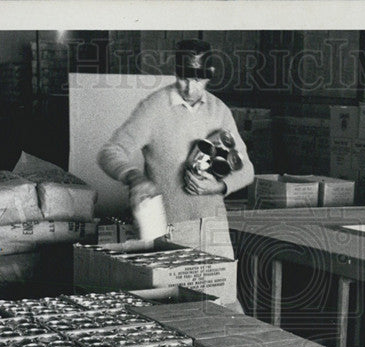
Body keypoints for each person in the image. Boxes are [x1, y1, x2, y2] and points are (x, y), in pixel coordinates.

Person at [97, 38, 254, 257]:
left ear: (210, 73)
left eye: (198, 80)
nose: (189, 88)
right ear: (176, 72)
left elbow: (247, 170)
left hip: (213, 231)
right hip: (168, 232)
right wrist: (133, 177)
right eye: (183, 78)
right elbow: (110, 152)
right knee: (168, 292)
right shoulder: (154, 107)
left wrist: (218, 187)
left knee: (222, 291)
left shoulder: (220, 111)